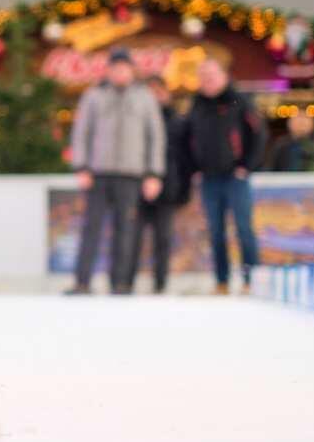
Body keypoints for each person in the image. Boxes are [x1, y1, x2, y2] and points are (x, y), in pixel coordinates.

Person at [66, 48, 165, 296]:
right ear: (108, 70)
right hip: (98, 173)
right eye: (115, 67)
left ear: (132, 70)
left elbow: (156, 136)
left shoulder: (144, 97)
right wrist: (82, 166)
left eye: (124, 68)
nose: (120, 72)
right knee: (92, 228)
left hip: (131, 174)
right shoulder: (94, 96)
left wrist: (154, 173)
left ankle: (120, 284)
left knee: (126, 230)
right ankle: (82, 282)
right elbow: (81, 133)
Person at [182, 60, 267, 296]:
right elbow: (185, 139)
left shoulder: (239, 100)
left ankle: (252, 279)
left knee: (243, 228)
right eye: (203, 76)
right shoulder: (196, 105)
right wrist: (194, 167)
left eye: (211, 74)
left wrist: (246, 166)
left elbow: (259, 134)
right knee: (215, 231)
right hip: (209, 179)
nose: (207, 80)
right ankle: (222, 281)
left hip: (235, 178)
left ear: (223, 76)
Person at [128, 76, 192, 294]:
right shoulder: (135, 120)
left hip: (168, 186)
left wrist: (183, 189)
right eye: (150, 91)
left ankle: (160, 283)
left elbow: (186, 159)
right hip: (136, 186)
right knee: (132, 237)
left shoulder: (178, 121)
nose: (155, 96)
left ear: (166, 93)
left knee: (163, 238)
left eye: (159, 91)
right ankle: (125, 281)